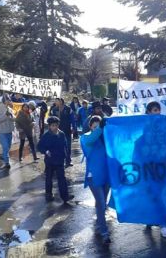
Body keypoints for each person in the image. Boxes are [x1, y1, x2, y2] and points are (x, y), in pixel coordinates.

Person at [80, 115, 111, 244]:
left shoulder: (106, 140)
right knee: (101, 203)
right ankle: (104, 232)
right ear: (90, 126)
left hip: (106, 176)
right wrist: (100, 129)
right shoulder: (86, 137)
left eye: (99, 125)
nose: (97, 127)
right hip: (94, 177)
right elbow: (91, 139)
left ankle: (99, 223)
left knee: (101, 203)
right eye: (95, 125)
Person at [144, 101, 166, 238]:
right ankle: (157, 222)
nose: (158, 112)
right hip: (150, 167)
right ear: (148, 112)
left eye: (159, 110)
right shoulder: (144, 125)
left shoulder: (164, 124)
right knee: (154, 194)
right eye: (155, 110)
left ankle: (159, 222)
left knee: (161, 194)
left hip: (163, 166)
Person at [38, 116, 74, 203]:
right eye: (53, 125)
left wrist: (66, 156)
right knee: (49, 178)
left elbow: (65, 145)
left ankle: (65, 196)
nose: (55, 127)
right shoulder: (46, 136)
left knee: (62, 178)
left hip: (60, 160)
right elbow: (39, 146)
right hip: (50, 161)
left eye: (56, 125)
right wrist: (46, 151)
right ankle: (49, 194)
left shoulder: (62, 134)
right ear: (49, 126)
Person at [49, 98, 76, 167]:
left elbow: (72, 118)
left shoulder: (68, 109)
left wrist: (73, 127)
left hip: (67, 130)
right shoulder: (54, 110)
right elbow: (51, 120)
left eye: (57, 101)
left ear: (61, 101)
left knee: (68, 146)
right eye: (55, 101)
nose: (56, 102)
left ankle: (68, 161)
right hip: (57, 131)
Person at [0, 94, 15, 169]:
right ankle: (7, 162)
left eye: (9, 100)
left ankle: (4, 156)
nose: (8, 101)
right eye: (7, 99)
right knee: (5, 147)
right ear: (4, 100)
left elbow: (14, 119)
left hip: (9, 131)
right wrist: (5, 115)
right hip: (2, 131)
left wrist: (11, 116)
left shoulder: (10, 109)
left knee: (8, 147)